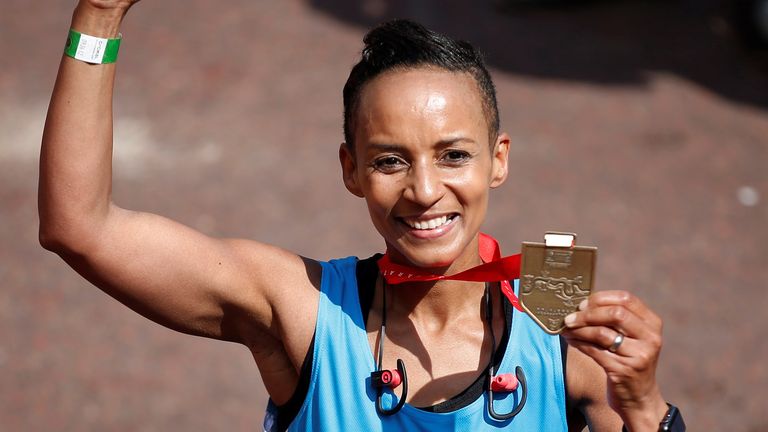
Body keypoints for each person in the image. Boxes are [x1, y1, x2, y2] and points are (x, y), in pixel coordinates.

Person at [39, 1, 683, 431]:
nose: (425, 190)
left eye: (453, 155)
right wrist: (100, 12)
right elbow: (79, 226)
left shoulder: (564, 338)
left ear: (498, 158)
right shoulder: (303, 313)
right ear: (350, 170)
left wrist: (646, 405)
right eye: (390, 161)